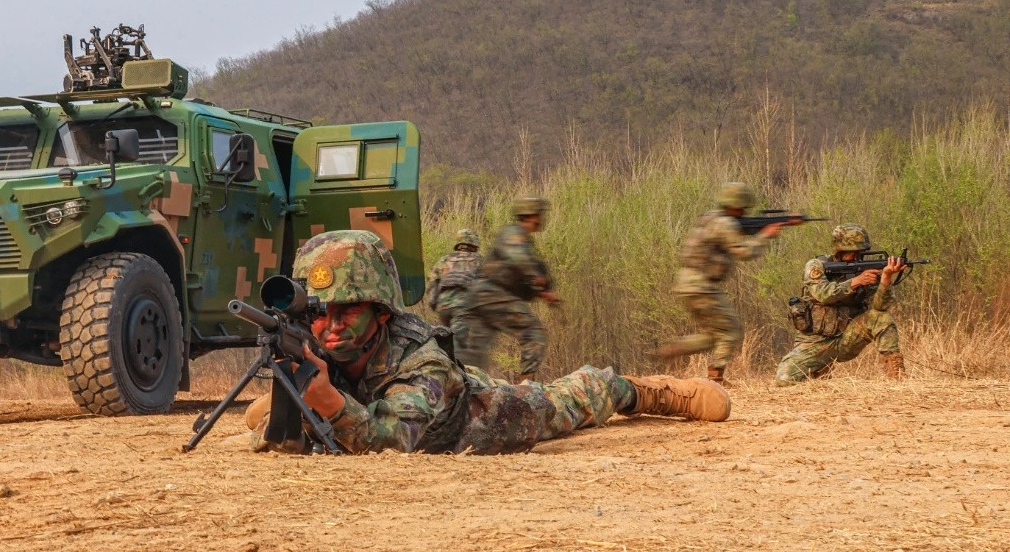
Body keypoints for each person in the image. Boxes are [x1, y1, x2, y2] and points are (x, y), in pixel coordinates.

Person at [245, 230, 730, 455]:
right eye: (316, 313)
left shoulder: (424, 361)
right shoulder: (326, 339)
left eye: (346, 310)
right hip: (389, 399)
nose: (327, 327)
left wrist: (327, 405)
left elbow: (392, 441)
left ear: (381, 310)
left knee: (559, 402)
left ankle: (639, 389)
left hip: (470, 416)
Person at [660, 182, 797, 383]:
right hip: (701, 285)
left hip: (686, 283)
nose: (744, 211)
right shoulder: (725, 224)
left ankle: (676, 347)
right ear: (736, 204)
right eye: (742, 207)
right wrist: (765, 235)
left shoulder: (711, 219)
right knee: (730, 332)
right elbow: (744, 252)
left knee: (713, 336)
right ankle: (716, 378)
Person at [775, 223, 906, 386]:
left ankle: (896, 374)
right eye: (852, 252)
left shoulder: (866, 272)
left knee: (881, 318)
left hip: (847, 339)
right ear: (839, 250)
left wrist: (886, 279)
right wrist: (856, 282)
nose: (856, 256)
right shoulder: (817, 266)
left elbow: (881, 308)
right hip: (815, 342)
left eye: (860, 252)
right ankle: (820, 368)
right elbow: (823, 294)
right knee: (784, 380)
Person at [455, 197, 558, 382]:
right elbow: (519, 259)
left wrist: (542, 292)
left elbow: (520, 274)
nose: (542, 219)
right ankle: (526, 389)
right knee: (534, 331)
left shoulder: (521, 240)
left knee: (469, 361)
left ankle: (457, 397)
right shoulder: (513, 233)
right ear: (533, 215)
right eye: (540, 215)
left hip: (478, 298)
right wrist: (539, 279)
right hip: (490, 294)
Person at [425, 228, 482, 339]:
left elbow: (432, 280)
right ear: (474, 244)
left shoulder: (445, 260)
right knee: (460, 343)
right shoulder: (479, 260)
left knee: (448, 340)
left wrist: (433, 303)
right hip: (463, 308)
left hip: (444, 308)